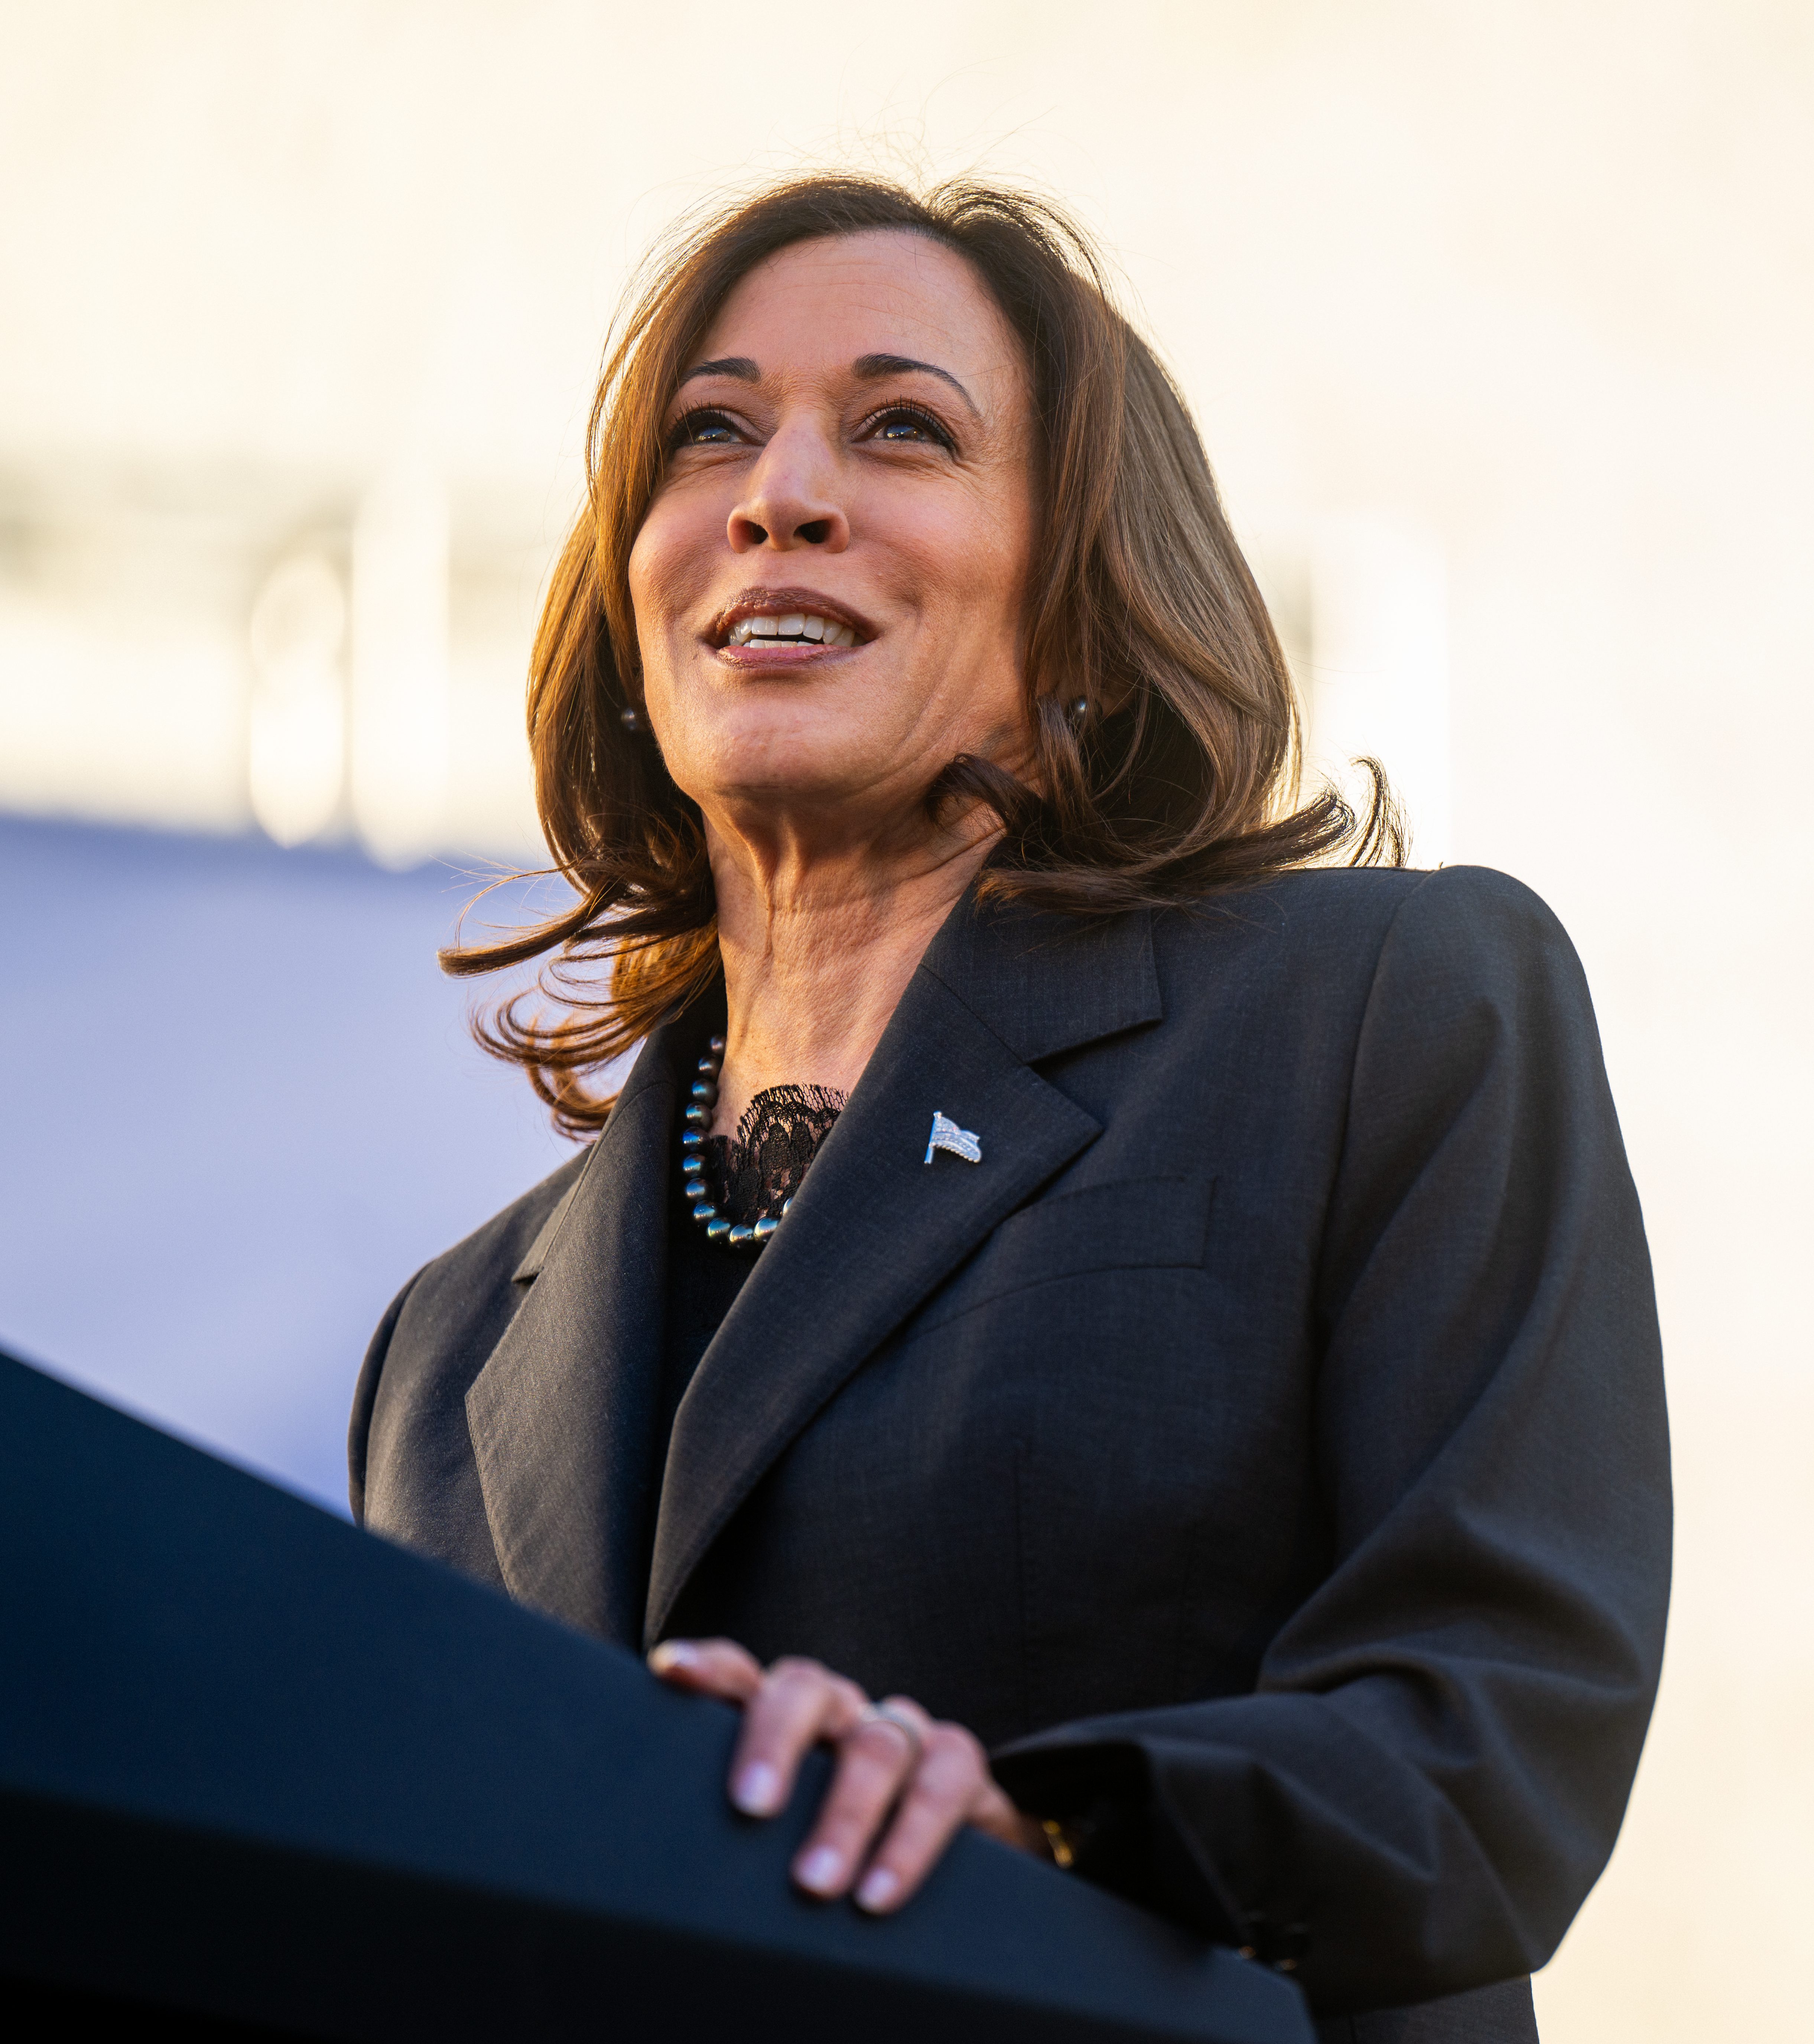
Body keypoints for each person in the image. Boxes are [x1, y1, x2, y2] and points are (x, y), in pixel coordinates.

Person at [349, 175, 1669, 2043]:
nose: (776, 492)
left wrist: (1039, 1821)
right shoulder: (443, 1352)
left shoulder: (1388, 1011)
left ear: (1083, 613)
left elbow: (1491, 1738)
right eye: (710, 432)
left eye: (902, 429)